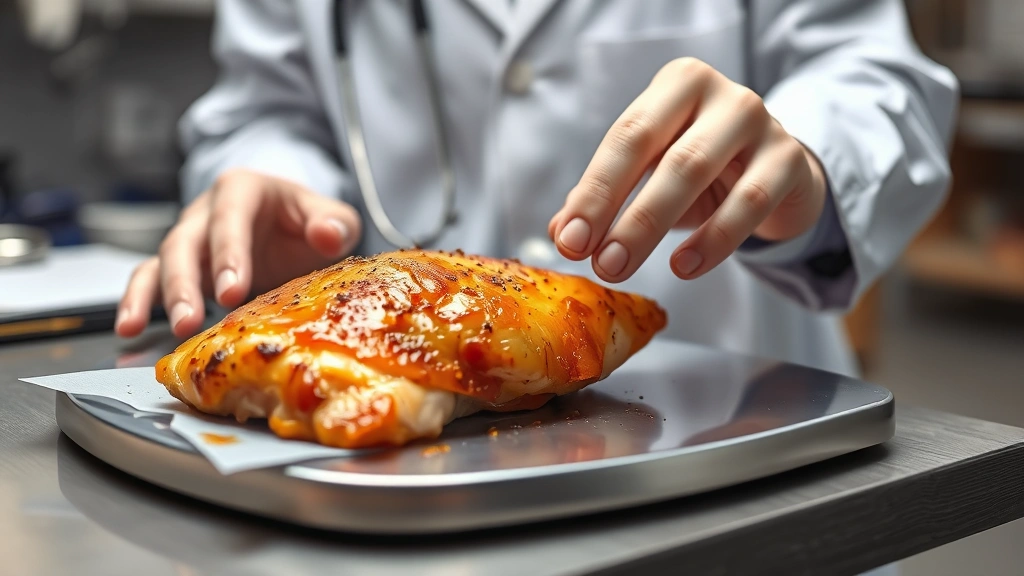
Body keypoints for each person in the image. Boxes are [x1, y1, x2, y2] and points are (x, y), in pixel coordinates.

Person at [116, 0, 956, 379]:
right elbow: (264, 107)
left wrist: (803, 158)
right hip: (386, 446)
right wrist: (279, 182)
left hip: (731, 447)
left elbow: (875, 74)